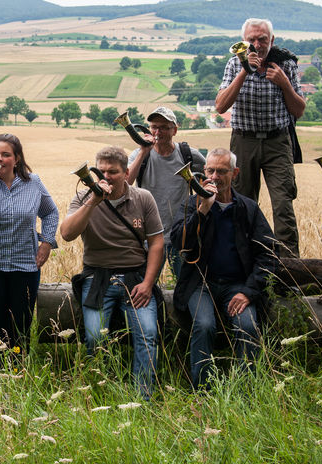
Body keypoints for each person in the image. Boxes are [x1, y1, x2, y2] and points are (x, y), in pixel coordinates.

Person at [60, 146, 163, 399]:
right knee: (94, 337)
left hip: (136, 278)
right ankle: (100, 392)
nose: (106, 177)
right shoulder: (84, 198)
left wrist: (148, 284)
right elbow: (66, 234)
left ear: (127, 172)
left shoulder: (143, 198)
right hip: (98, 278)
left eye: (113, 172)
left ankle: (143, 397)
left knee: (148, 334)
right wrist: (93, 202)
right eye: (101, 171)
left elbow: (157, 242)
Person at [171, 148, 276, 389]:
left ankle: (247, 389)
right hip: (200, 284)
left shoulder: (248, 208)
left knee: (248, 326)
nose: (214, 176)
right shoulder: (192, 203)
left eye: (221, 171)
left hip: (238, 285)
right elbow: (179, 242)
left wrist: (249, 291)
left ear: (235, 173)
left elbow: (268, 253)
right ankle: (203, 390)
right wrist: (203, 210)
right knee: (205, 325)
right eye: (210, 170)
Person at [0, 133, 59, 359]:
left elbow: (50, 212)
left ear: (16, 159)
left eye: (6, 155)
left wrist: (46, 241)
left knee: (20, 325)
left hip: (24, 266)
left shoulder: (32, 183)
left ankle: (17, 373)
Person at [215, 18, 306, 257]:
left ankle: (288, 267)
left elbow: (299, 110)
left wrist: (285, 84)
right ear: (244, 42)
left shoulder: (286, 64)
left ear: (272, 40)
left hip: (278, 142)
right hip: (244, 142)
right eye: (251, 40)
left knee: (283, 205)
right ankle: (243, 260)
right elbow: (221, 106)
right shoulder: (235, 64)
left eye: (262, 39)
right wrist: (244, 71)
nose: (256, 44)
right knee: (241, 203)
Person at [126, 106, 206, 277]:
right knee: (145, 285)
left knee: (185, 285)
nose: (158, 132)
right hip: (149, 236)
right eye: (154, 127)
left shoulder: (189, 155)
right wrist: (142, 152)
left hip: (181, 235)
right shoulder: (139, 155)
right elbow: (125, 183)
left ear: (175, 130)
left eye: (164, 127)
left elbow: (209, 180)